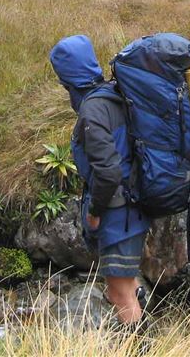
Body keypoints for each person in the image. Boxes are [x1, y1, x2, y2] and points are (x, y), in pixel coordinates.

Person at [49, 35, 150, 325]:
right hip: (135, 208)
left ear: (68, 78)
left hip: (118, 214)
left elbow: (108, 173)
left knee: (120, 296)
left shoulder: (93, 109)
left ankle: (141, 348)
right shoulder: (115, 94)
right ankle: (148, 339)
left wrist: (94, 212)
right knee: (124, 287)